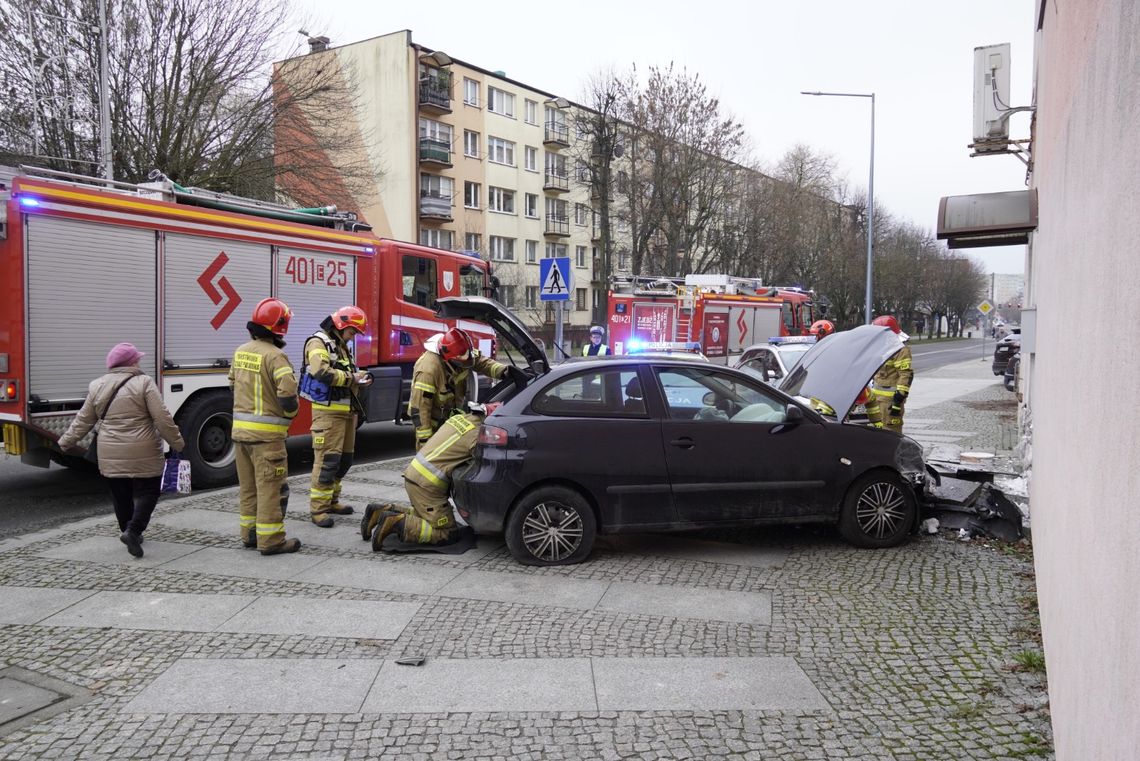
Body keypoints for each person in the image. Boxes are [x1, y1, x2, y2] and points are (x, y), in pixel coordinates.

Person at [59, 342, 185, 558]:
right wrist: (177, 442)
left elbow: (83, 420)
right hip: (143, 448)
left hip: (110, 450)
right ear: (131, 362)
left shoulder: (96, 385)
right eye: (137, 358)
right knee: (150, 489)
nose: (139, 361)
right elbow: (161, 417)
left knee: (120, 494)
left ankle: (127, 530)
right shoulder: (144, 383)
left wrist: (65, 441)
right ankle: (134, 531)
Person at [229, 297, 301, 555]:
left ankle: (249, 534)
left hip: (240, 436)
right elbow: (287, 396)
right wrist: (291, 414)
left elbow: (232, 385)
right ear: (279, 326)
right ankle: (271, 540)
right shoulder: (276, 356)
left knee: (248, 489)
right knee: (271, 489)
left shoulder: (240, 351)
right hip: (267, 439)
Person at [360, 405, 490, 550]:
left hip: (414, 475)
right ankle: (395, 522)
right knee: (447, 532)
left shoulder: (460, 419)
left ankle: (380, 512)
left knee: (422, 515)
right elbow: (484, 462)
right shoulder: (477, 435)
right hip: (428, 486)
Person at [299, 305, 373, 528]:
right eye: (351, 333)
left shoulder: (341, 346)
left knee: (344, 461)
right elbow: (321, 372)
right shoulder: (318, 343)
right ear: (341, 326)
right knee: (327, 461)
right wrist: (353, 378)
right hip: (328, 414)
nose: (352, 339)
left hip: (346, 413)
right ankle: (319, 509)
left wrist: (359, 379)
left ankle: (332, 500)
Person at [407, 327, 525, 451]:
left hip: (449, 418)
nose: (466, 364)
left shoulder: (461, 352)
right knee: (433, 461)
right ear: (449, 359)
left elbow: (481, 362)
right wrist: (425, 444)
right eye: (462, 363)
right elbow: (420, 409)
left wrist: (505, 371)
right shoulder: (428, 371)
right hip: (432, 423)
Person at [869, 315, 913, 433]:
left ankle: (893, 452)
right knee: (876, 430)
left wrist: (898, 400)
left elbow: (905, 374)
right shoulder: (881, 347)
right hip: (875, 398)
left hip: (890, 401)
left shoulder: (901, 349)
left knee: (891, 431)